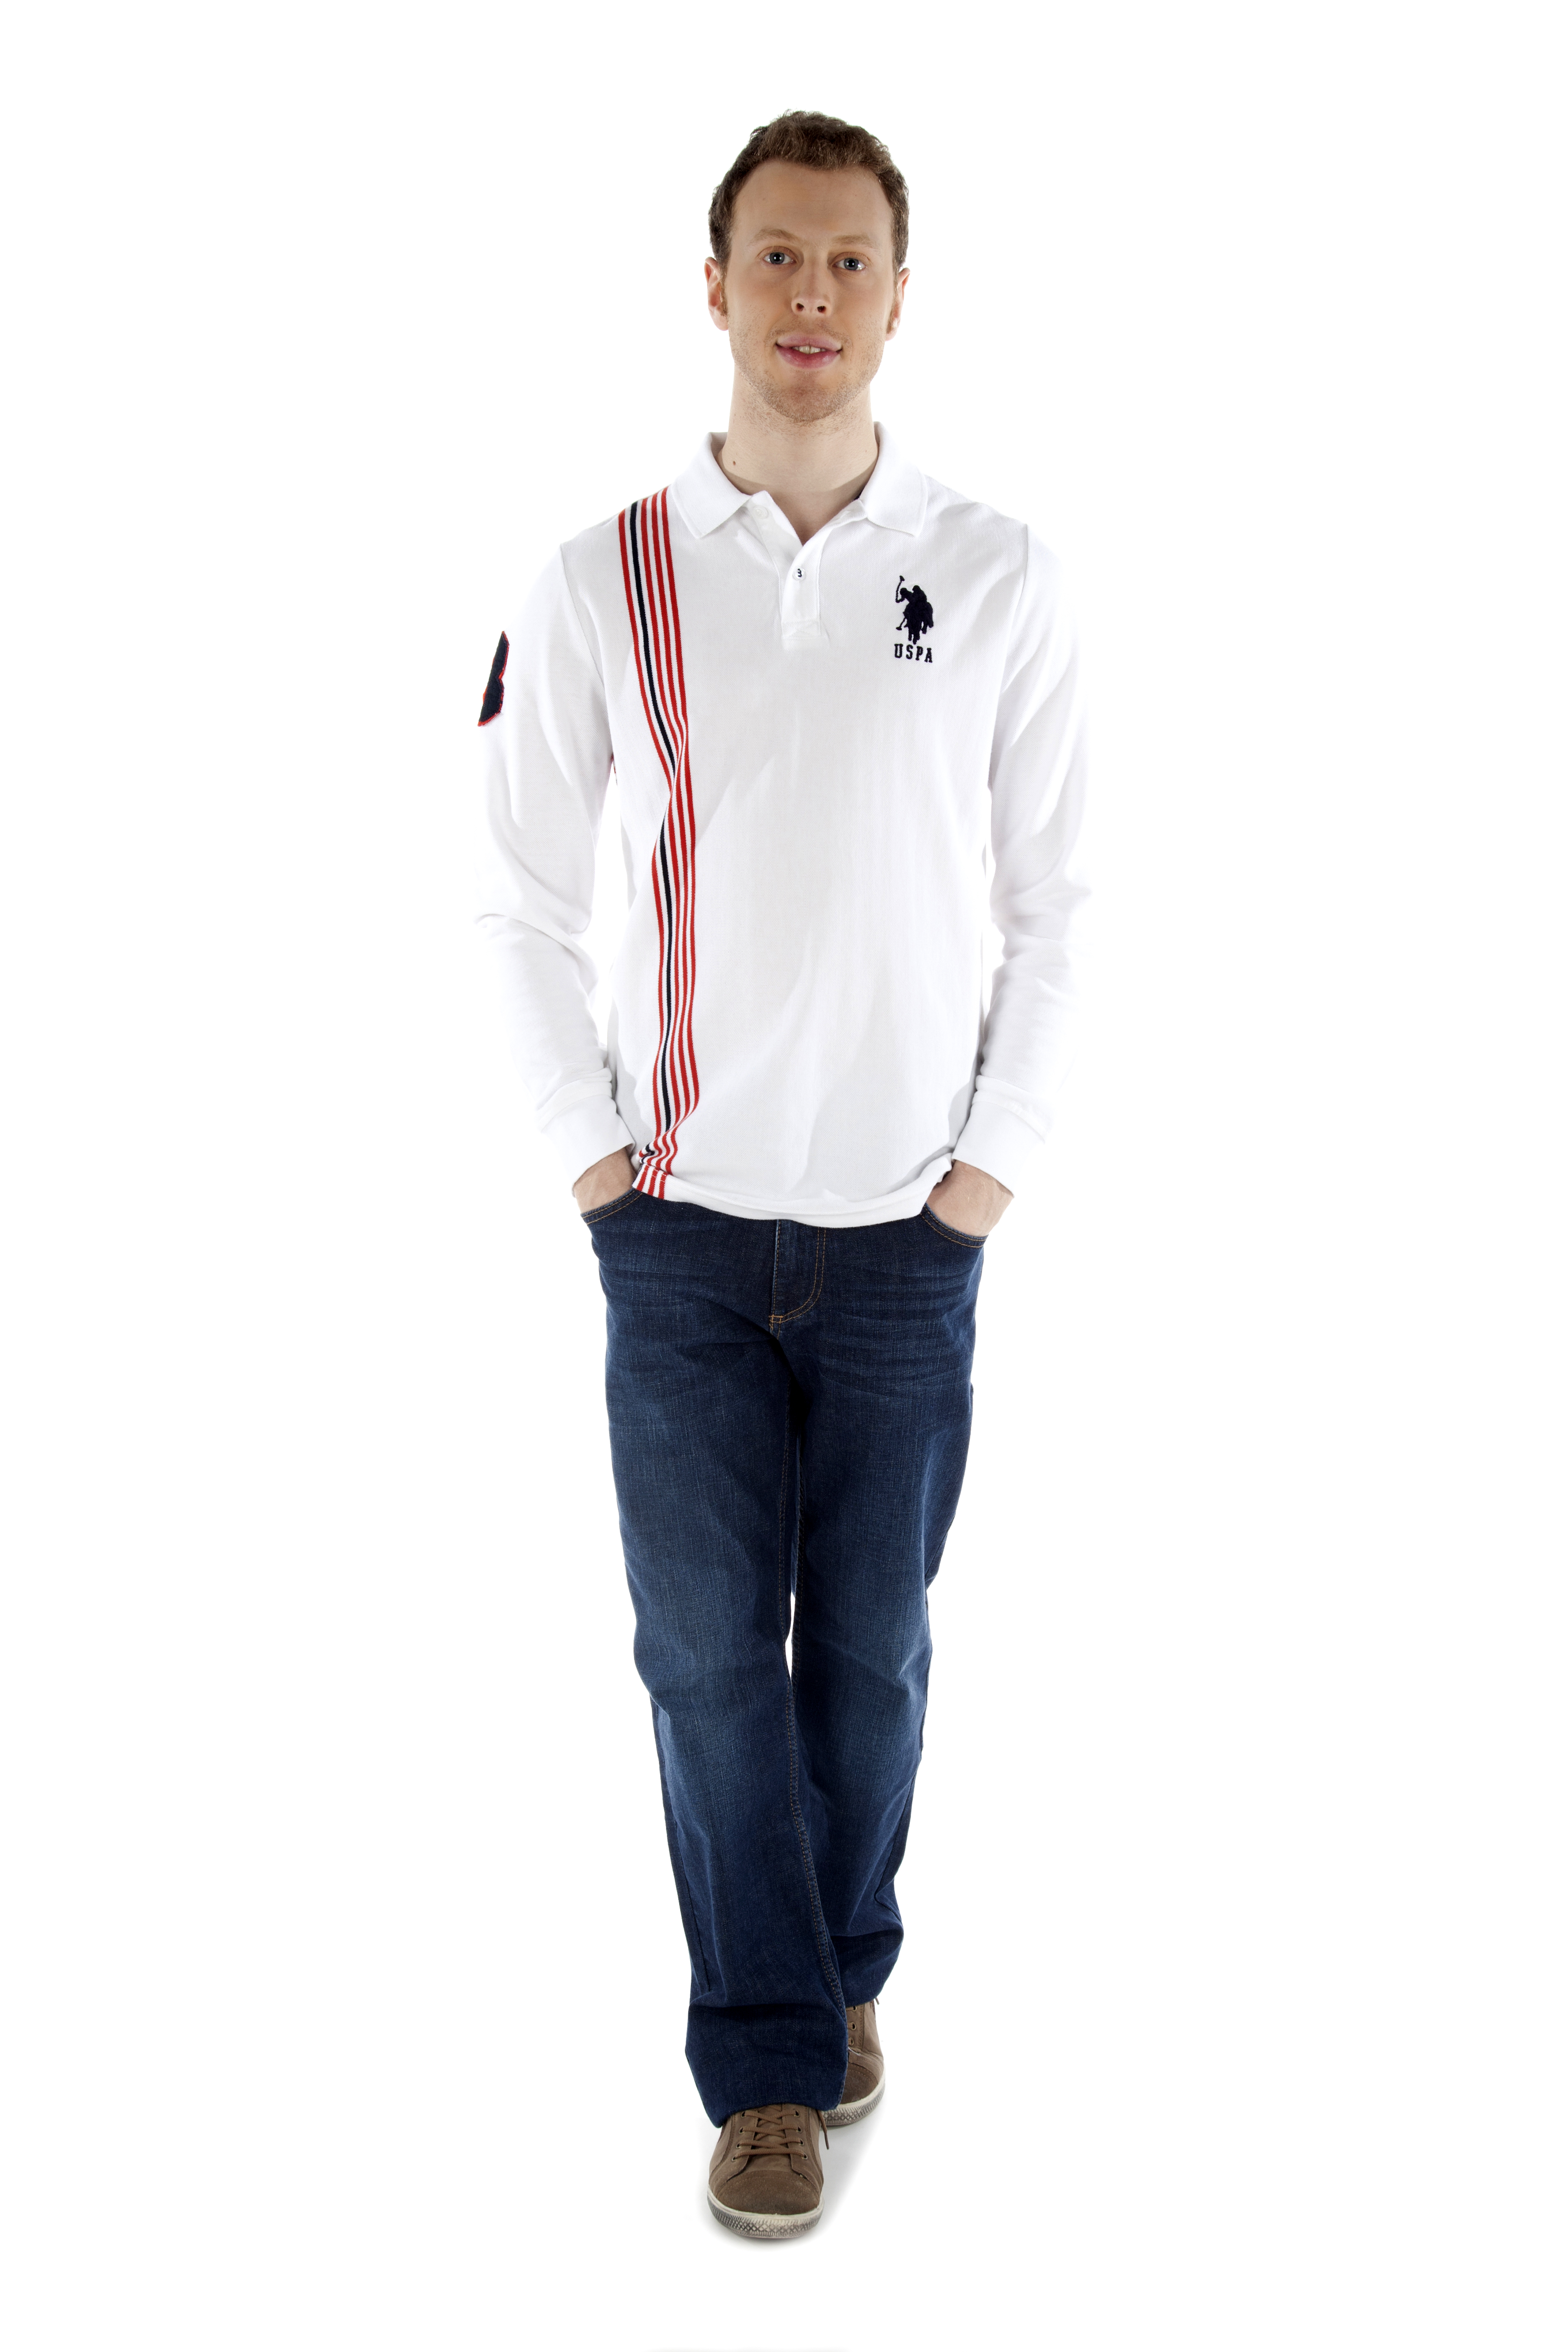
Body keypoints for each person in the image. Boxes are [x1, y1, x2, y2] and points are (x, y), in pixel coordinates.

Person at [477, 110, 1088, 2237]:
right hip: (680, 1233)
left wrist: (988, 1173)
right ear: (716, 286)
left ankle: (840, 1969)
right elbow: (512, 899)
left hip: (912, 1236)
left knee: (874, 1660)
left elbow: (1068, 903)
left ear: (897, 297)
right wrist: (594, 1169)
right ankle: (765, 2062)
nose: (810, 297)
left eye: (847, 262)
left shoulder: (993, 572)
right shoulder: (611, 575)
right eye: (776, 258)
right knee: (708, 1657)